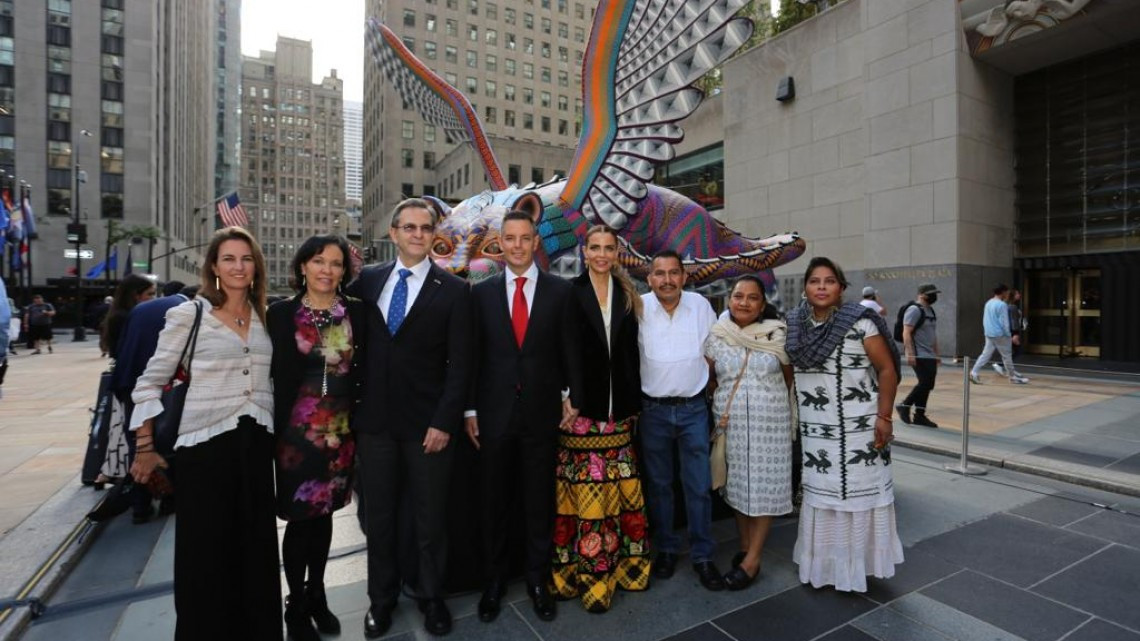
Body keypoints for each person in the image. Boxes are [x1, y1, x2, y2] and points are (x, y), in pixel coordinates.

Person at [129, 227, 281, 640]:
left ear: (256, 267)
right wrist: (144, 446)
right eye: (229, 258)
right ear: (213, 266)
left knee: (257, 551)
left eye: (246, 258)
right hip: (206, 450)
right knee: (206, 556)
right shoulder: (189, 315)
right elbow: (148, 383)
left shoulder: (266, 315)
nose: (238, 266)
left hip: (256, 449)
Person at [347, 198, 471, 638]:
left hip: (428, 428)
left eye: (425, 228)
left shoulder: (454, 290)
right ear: (394, 233)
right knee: (378, 518)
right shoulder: (366, 283)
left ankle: (431, 595)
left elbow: (462, 366)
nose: (418, 234)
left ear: (433, 235)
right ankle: (380, 600)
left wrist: (444, 422)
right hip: (374, 425)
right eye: (409, 227)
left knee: (429, 519)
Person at [467, 210, 582, 623]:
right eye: (509, 238)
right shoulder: (479, 294)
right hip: (493, 416)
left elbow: (570, 351)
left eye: (524, 238)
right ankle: (494, 581)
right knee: (494, 503)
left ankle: (538, 580)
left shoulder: (559, 292)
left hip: (541, 415)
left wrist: (572, 397)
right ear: (501, 243)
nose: (517, 245)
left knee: (538, 503)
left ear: (536, 242)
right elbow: (472, 358)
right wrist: (469, 409)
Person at [268, 235, 366, 641]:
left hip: (341, 431)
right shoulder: (279, 314)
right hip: (296, 433)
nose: (327, 270)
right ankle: (296, 604)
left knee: (325, 514)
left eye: (336, 263)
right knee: (299, 519)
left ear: (345, 271)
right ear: (303, 266)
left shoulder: (358, 313)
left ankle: (319, 593)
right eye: (318, 261)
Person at [785, 257, 904, 593]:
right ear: (806, 287)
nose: (821, 287)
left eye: (829, 281)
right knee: (823, 499)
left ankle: (859, 567)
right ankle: (824, 567)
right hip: (816, 431)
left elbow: (887, 370)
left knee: (859, 497)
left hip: (860, 430)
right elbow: (788, 373)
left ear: (841, 287)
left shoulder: (861, 323)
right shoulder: (794, 325)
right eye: (814, 281)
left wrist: (884, 417)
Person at [549, 225, 648, 614]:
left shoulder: (627, 294)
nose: (602, 254)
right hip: (580, 412)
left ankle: (627, 571)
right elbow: (559, 350)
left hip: (619, 412)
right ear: (584, 251)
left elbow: (629, 354)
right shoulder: (568, 293)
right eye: (595, 248)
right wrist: (564, 395)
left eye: (609, 248)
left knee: (621, 497)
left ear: (617, 252)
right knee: (584, 501)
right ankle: (580, 578)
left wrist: (633, 401)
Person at [637, 249, 725, 591]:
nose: (667, 280)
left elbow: (715, 349)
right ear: (650, 278)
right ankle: (668, 550)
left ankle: (703, 554)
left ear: (684, 277)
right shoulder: (638, 306)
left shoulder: (701, 306)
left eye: (674, 273)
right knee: (659, 486)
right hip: (653, 411)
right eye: (660, 273)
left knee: (698, 486)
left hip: (692, 410)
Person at [704, 274, 795, 591]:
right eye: (738, 296)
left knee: (765, 489)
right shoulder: (717, 336)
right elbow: (711, 378)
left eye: (752, 297)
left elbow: (788, 378)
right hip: (732, 427)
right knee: (739, 488)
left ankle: (753, 560)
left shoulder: (777, 335)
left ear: (762, 303)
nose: (744, 302)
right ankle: (744, 546)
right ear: (729, 299)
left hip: (770, 427)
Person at [110, 281, 193, 524]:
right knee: (166, 439)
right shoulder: (185, 310)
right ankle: (168, 499)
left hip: (128, 381)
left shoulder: (141, 310)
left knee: (139, 444)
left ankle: (140, 506)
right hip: (158, 383)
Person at [95, 275, 157, 492]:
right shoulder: (129, 317)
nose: (153, 299)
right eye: (150, 294)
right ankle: (139, 494)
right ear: (135, 295)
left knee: (131, 437)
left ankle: (138, 493)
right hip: (132, 383)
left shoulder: (121, 315)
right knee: (136, 440)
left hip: (125, 382)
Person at [896, 283, 941, 428]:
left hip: (929, 354)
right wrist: (910, 353)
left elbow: (932, 334)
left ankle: (919, 415)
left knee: (928, 384)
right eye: (931, 293)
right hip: (919, 353)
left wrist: (936, 353)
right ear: (921, 294)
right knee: (925, 382)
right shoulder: (914, 310)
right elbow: (906, 332)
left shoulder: (930, 310)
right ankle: (904, 405)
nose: (934, 296)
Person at [969, 284, 1029, 385]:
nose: (1007, 294)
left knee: (985, 355)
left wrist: (987, 331)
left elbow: (985, 319)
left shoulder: (988, 303)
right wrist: (1009, 335)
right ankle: (1013, 377)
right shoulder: (1002, 305)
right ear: (1003, 292)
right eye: (1006, 292)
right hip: (1001, 335)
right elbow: (1005, 323)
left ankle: (974, 372)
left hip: (989, 333)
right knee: (1007, 356)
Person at [993, 288, 1024, 376]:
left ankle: (1008, 369)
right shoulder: (1012, 307)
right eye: (1017, 293)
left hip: (1005, 332)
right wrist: (1015, 334)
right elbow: (1013, 322)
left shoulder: (1006, 306)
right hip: (1011, 332)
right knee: (1017, 351)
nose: (1019, 295)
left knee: (1009, 351)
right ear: (1013, 296)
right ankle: (1001, 365)